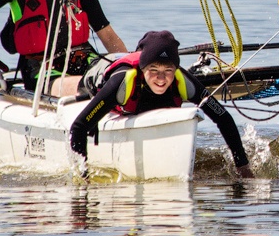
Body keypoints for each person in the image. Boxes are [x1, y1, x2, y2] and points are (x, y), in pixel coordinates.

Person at [68, 30, 254, 178]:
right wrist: (83, 177)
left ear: (175, 69)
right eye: (153, 69)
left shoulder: (184, 82)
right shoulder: (122, 83)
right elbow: (79, 126)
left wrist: (243, 167)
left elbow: (224, 118)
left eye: (168, 70)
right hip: (95, 75)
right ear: (142, 68)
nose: (161, 78)